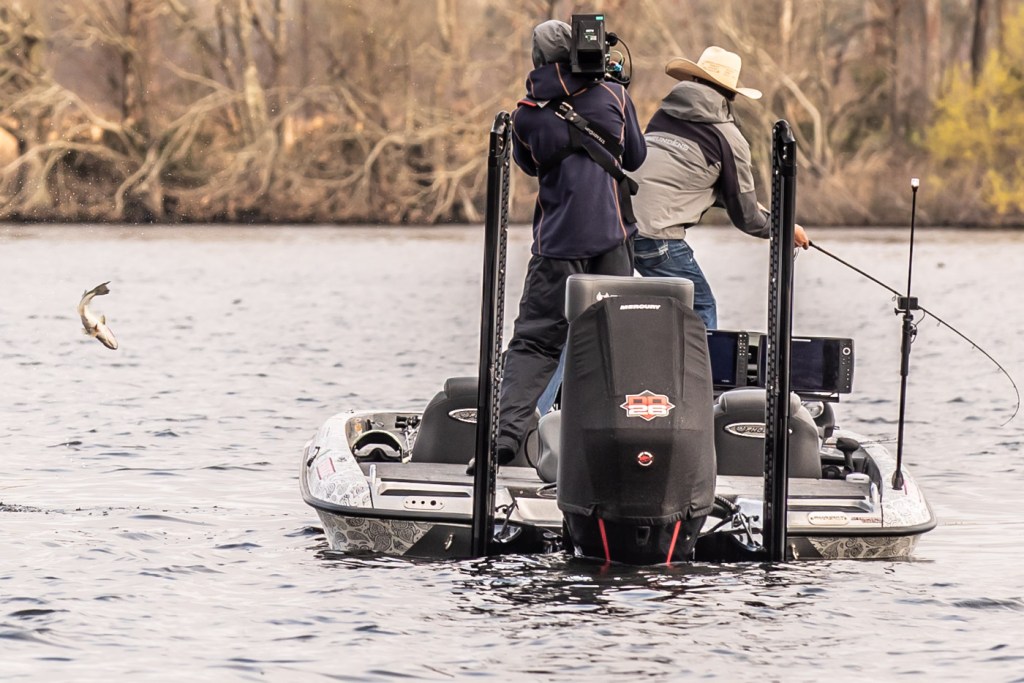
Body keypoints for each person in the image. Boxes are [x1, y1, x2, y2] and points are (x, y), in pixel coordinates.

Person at [484, 19, 646, 470]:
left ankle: (505, 438)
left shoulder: (525, 116)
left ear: (538, 59)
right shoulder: (613, 95)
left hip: (556, 245)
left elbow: (529, 164)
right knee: (613, 345)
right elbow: (636, 156)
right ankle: (617, 447)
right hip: (612, 240)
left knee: (534, 345)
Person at [629, 46, 809, 331]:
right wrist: (786, 230)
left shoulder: (661, 117)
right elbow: (747, 219)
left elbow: (683, 181)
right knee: (700, 307)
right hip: (656, 237)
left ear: (693, 80)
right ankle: (699, 362)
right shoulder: (730, 139)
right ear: (731, 95)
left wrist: (760, 210)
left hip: (616, 225)